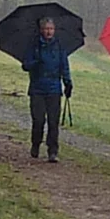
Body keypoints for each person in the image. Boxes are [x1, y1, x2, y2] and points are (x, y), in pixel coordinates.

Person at [20, 15, 72, 163]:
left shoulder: (59, 46)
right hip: (37, 88)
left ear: (54, 30)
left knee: (53, 122)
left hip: (54, 89)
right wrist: (36, 63)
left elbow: (64, 66)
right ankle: (36, 144)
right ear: (41, 30)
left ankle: (52, 151)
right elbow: (25, 65)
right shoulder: (34, 46)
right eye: (46, 29)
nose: (49, 31)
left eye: (51, 29)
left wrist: (68, 82)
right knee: (38, 120)